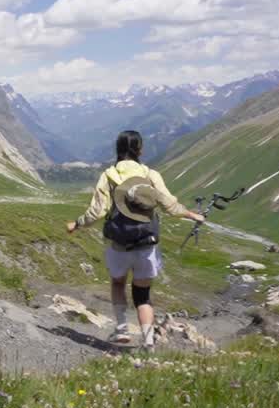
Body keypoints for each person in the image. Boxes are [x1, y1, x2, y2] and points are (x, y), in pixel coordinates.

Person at [66, 130, 204, 348]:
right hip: (146, 243)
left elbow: (98, 211)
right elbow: (169, 204)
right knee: (142, 294)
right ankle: (148, 341)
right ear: (140, 150)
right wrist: (191, 214)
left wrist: (77, 223)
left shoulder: (108, 175)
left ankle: (121, 328)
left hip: (118, 244)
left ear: (117, 149)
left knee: (118, 283)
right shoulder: (150, 175)